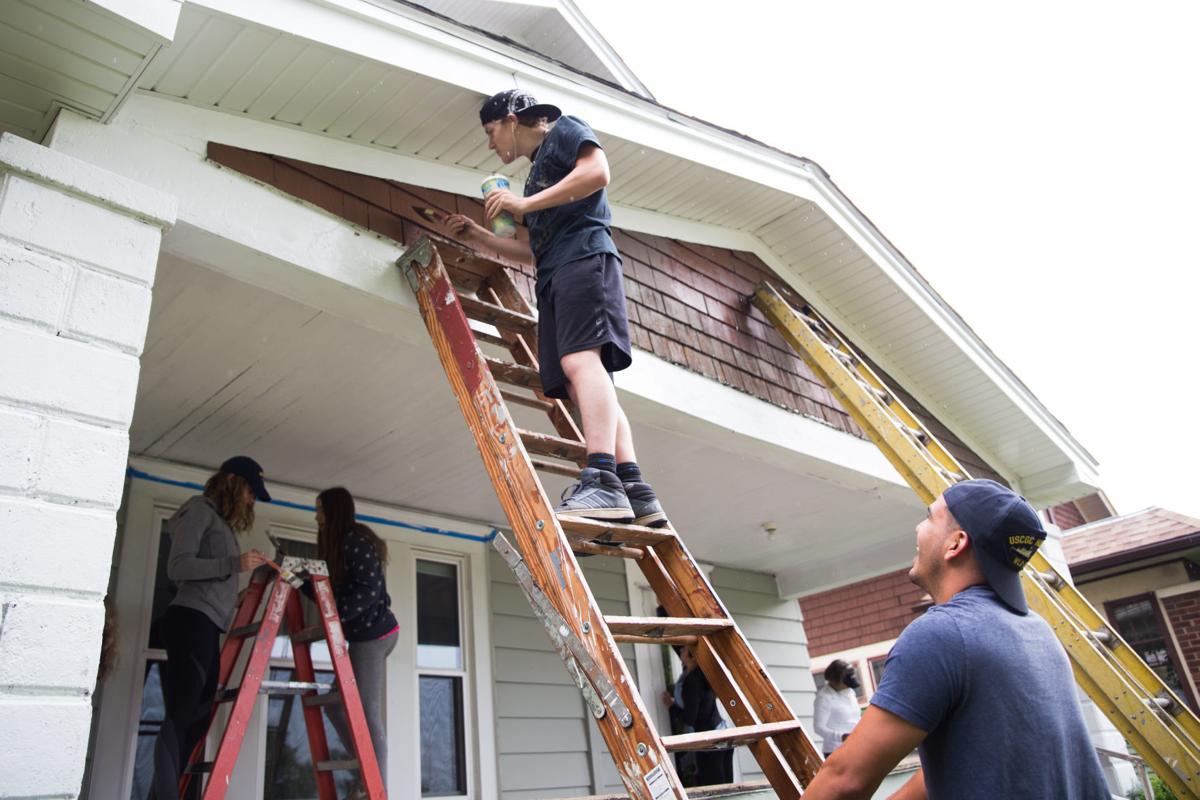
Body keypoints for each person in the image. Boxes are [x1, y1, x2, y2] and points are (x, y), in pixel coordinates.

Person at [800, 479, 1111, 800]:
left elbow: (844, 781)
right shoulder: (1036, 631)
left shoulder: (942, 634)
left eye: (930, 517)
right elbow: (962, 764)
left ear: (955, 543)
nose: (918, 528)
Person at [445, 88, 666, 527]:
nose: (491, 144)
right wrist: (481, 237)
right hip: (557, 267)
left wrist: (523, 205)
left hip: (585, 257)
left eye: (491, 132)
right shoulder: (536, 180)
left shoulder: (563, 130)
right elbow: (533, 251)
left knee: (580, 360)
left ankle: (601, 478)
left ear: (512, 120)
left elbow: (598, 171)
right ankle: (633, 487)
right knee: (582, 371)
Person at [152, 456, 269, 799]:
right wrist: (235, 564)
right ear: (232, 481)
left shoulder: (219, 521)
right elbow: (178, 567)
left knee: (200, 717)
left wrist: (236, 596)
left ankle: (169, 793)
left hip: (207, 622)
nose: (251, 500)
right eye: (250, 491)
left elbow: (209, 579)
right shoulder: (198, 511)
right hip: (189, 620)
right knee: (182, 713)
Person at [304, 487, 399, 794]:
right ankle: (365, 767)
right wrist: (297, 580)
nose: (316, 516)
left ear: (334, 511)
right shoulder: (336, 545)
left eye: (320, 510)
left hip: (373, 635)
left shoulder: (353, 541)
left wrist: (337, 615)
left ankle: (377, 788)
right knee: (335, 706)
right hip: (362, 636)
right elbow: (329, 593)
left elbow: (370, 588)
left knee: (367, 712)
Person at [661, 645, 733, 786]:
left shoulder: (691, 683)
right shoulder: (700, 673)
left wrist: (671, 706)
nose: (680, 651)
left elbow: (690, 718)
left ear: (692, 657)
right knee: (727, 787)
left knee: (715, 789)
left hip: (712, 742)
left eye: (683, 649)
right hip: (723, 733)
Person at [812, 659, 861, 757]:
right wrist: (841, 737)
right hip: (836, 750)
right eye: (846, 683)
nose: (848, 686)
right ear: (835, 680)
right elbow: (818, 727)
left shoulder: (850, 692)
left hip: (856, 745)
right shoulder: (824, 698)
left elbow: (855, 718)